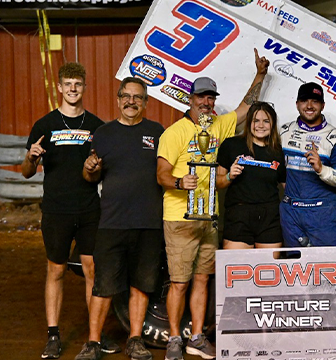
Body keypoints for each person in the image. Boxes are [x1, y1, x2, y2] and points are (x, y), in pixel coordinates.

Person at [157, 49, 269, 360]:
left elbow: (245, 109)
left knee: (203, 278)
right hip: (179, 217)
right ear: (189, 99)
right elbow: (162, 173)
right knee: (179, 282)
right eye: (201, 97)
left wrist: (259, 76)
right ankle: (174, 339)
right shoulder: (174, 132)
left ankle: (196, 336)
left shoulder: (218, 125)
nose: (206, 102)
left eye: (210, 98)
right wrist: (181, 183)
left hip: (210, 217)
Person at [22, 62, 119, 359]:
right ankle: (53, 335)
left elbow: (104, 172)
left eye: (78, 84)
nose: (73, 89)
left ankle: (95, 335)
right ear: (60, 88)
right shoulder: (44, 125)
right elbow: (26, 172)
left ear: (84, 87)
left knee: (93, 271)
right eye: (68, 84)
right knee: (57, 270)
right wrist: (31, 157)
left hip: (90, 209)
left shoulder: (97, 126)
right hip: (56, 210)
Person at [73, 78, 164, 360]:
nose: (131, 102)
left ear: (146, 102)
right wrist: (89, 168)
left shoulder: (157, 132)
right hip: (112, 223)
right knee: (103, 285)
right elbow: (92, 175)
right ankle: (93, 342)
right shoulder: (102, 134)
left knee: (141, 283)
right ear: (118, 99)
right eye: (126, 96)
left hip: (149, 222)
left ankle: (135, 340)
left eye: (138, 98)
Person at [279, 82, 336, 247]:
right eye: (305, 101)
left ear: (323, 105)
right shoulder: (283, 132)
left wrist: (321, 169)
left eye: (315, 101)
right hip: (291, 212)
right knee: (295, 269)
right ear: (297, 104)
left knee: (325, 265)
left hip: (322, 212)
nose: (310, 106)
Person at [216, 102, 285, 251]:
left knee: (267, 271)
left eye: (266, 121)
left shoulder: (278, 151)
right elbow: (217, 184)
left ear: (272, 124)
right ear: (249, 122)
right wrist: (229, 176)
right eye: (256, 120)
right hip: (239, 216)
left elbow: (288, 186)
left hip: (270, 217)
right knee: (236, 269)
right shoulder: (231, 145)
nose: (261, 125)